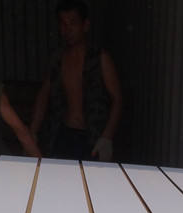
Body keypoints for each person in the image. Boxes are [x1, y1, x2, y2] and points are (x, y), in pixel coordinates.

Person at [31, 0, 122, 161]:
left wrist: (107, 137)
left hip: (93, 137)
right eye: (63, 24)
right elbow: (43, 95)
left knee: (91, 177)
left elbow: (118, 99)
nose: (67, 29)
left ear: (85, 25)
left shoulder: (100, 58)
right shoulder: (57, 59)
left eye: (72, 23)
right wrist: (33, 131)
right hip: (62, 134)